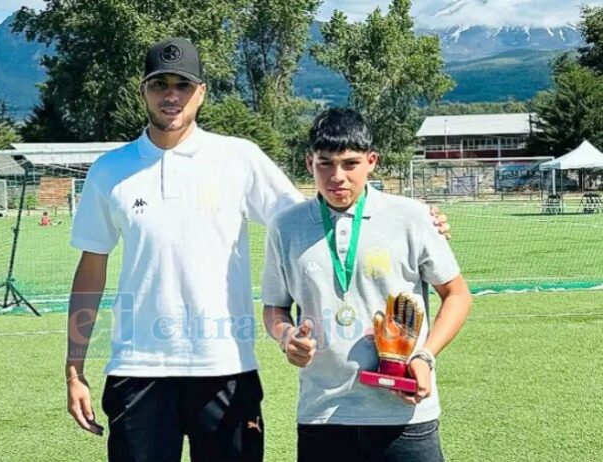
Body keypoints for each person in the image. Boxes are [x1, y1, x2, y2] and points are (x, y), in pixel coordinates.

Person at [65, 38, 451, 462]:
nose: (171, 95)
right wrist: (74, 367)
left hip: (226, 367)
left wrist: (408, 215)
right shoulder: (110, 170)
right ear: (143, 92)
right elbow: (90, 270)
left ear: (202, 93)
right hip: (137, 369)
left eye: (183, 85)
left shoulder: (238, 158)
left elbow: (317, 211)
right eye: (160, 84)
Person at [262, 108, 472, 462]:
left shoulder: (412, 217)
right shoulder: (286, 226)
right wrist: (286, 337)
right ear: (309, 161)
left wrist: (425, 355)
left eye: (350, 163)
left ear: (371, 161)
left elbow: (457, 294)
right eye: (325, 163)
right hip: (324, 413)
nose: (337, 177)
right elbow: (274, 308)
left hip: (404, 410)